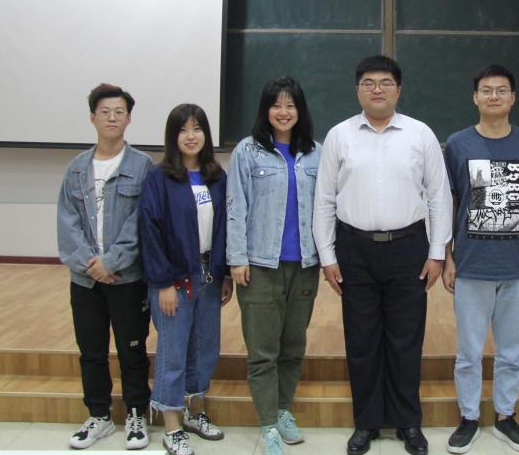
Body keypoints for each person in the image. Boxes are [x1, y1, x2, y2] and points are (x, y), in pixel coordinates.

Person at [312, 55, 452, 455]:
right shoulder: (339, 135)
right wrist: (328, 256)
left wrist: (437, 253)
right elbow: (324, 199)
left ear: (399, 90)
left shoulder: (420, 134)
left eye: (386, 82)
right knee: (362, 339)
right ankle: (366, 422)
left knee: (406, 340)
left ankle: (408, 423)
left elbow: (440, 196)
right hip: (353, 249)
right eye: (369, 82)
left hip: (409, 247)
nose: (377, 89)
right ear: (358, 90)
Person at [441, 64, 519, 454]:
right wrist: (448, 255)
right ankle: (469, 417)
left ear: (513, 98)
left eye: (502, 90)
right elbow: (450, 202)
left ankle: (505, 416)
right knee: (468, 353)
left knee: (511, 351)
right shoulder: (458, 143)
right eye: (486, 90)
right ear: (475, 97)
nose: (494, 96)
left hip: (517, 265)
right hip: (471, 264)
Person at [227, 77, 322, 455]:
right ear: (265, 110)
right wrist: (237, 259)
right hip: (260, 264)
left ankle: (283, 410)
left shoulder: (316, 153)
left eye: (290, 105)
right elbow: (235, 207)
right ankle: (267, 424)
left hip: (305, 264)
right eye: (276, 105)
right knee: (263, 349)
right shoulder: (247, 152)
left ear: (300, 110)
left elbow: (328, 208)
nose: (283, 112)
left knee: (293, 345)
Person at [58, 83, 154, 450]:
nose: (112, 118)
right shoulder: (76, 169)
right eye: (105, 112)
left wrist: (111, 262)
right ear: (92, 117)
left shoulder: (143, 167)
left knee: (132, 350)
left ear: (129, 119)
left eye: (119, 112)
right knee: (92, 350)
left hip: (127, 277)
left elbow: (142, 223)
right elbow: (67, 222)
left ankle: (136, 414)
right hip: (85, 281)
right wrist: (91, 264)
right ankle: (99, 415)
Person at [139, 104, 233, 455]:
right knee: (174, 351)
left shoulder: (216, 176)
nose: (191, 136)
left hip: (209, 275)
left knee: (205, 348)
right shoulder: (159, 178)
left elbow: (224, 227)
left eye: (197, 129)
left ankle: (195, 411)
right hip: (174, 279)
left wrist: (224, 273)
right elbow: (150, 231)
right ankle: (172, 425)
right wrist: (163, 282)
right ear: (172, 136)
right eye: (183, 130)